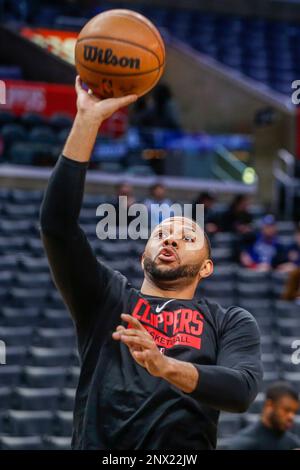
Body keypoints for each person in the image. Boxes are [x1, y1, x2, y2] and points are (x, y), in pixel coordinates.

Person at [39, 76, 263, 450]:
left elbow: (241, 390)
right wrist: (87, 120)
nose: (171, 238)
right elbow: (56, 225)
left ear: (207, 267)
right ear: (144, 255)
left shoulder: (229, 322)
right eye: (161, 234)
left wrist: (164, 366)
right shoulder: (106, 298)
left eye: (188, 237)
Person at [225, 382, 300, 450]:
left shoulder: (293, 444)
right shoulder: (243, 444)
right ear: (269, 405)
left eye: (294, 412)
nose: (291, 417)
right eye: (286, 410)